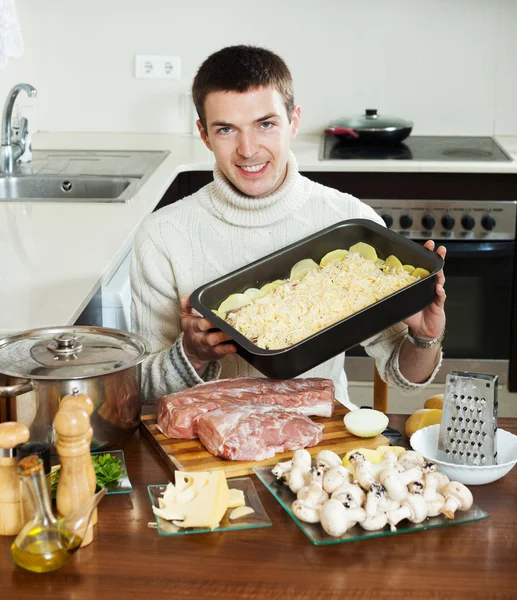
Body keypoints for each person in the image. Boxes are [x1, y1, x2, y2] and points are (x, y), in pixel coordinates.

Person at [130, 45, 446, 408]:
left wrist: (425, 338)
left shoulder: (346, 220)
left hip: (320, 442)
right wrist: (192, 353)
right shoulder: (161, 236)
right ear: (204, 135)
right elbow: (141, 392)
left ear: (293, 121)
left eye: (265, 124)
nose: (248, 150)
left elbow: (401, 375)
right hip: (206, 445)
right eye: (226, 129)